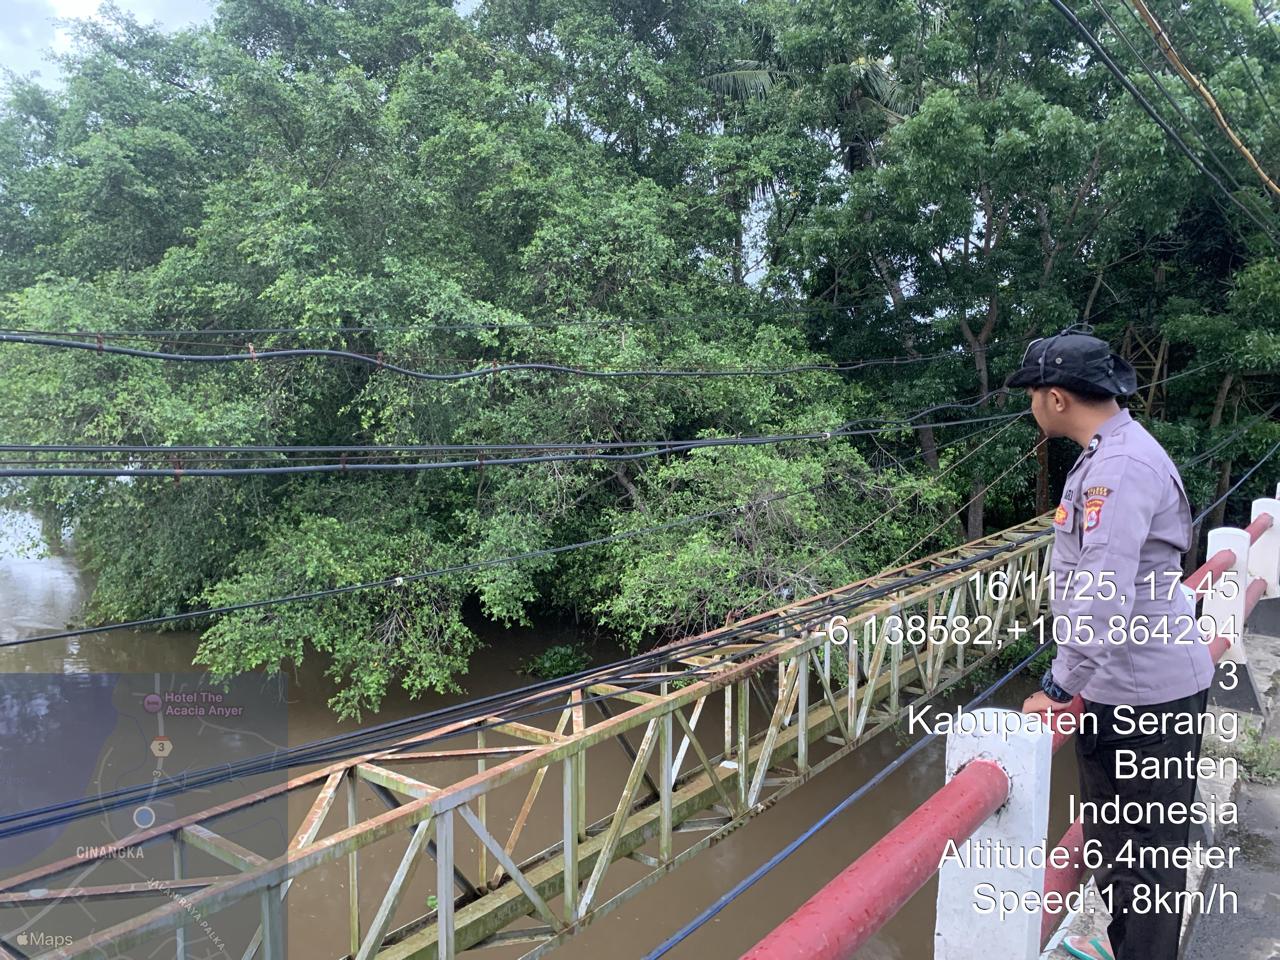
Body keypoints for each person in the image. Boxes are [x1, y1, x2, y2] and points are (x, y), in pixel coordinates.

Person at [1009, 325, 1215, 960]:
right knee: (1121, 849)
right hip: (1131, 686)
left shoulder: (1118, 468)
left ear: (1057, 398)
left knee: (1144, 862)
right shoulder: (1111, 453)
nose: (1031, 404)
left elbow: (1102, 591)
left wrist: (1058, 686)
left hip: (1142, 699)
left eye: (1033, 392)